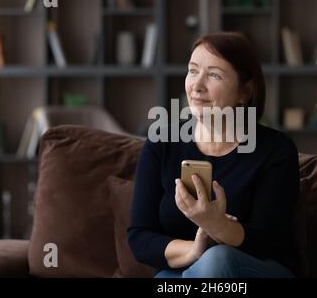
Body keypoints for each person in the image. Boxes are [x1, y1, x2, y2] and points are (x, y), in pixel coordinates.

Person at [128, 32, 300, 278]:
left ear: (245, 91)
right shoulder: (161, 143)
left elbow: (267, 240)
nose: (197, 85)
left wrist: (216, 224)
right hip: (190, 270)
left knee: (216, 260)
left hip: (259, 269)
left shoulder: (276, 150)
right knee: (167, 277)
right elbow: (140, 237)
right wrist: (194, 251)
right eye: (193, 70)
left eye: (214, 75)